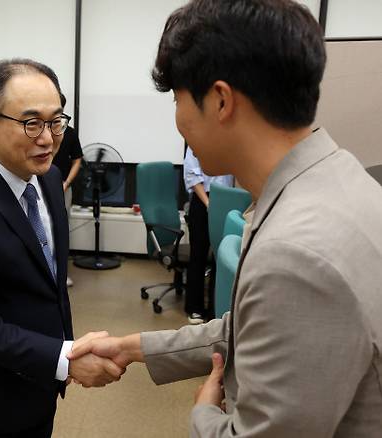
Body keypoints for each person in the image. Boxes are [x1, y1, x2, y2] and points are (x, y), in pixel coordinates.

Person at [68, 0, 382, 436]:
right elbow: (257, 327)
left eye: (177, 99)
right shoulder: (341, 177)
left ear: (220, 100)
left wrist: (204, 413)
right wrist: (132, 347)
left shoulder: (296, 254)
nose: (177, 120)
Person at [0, 58, 124, 438]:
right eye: (31, 123)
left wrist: (63, 350)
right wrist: (63, 358)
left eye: (56, 121)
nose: (48, 138)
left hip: (38, 383)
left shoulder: (48, 180)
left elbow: (46, 282)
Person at [183, 145, 233, 324]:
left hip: (226, 199)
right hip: (203, 199)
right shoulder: (197, 141)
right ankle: (194, 308)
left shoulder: (230, 140)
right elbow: (191, 176)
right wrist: (208, 203)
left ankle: (215, 310)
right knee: (199, 254)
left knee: (221, 257)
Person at [51, 93, 83, 288]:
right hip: (36, 187)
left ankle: (62, 273)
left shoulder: (69, 133)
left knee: (62, 230)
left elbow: (77, 159)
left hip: (62, 188)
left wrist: (67, 182)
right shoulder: (39, 131)